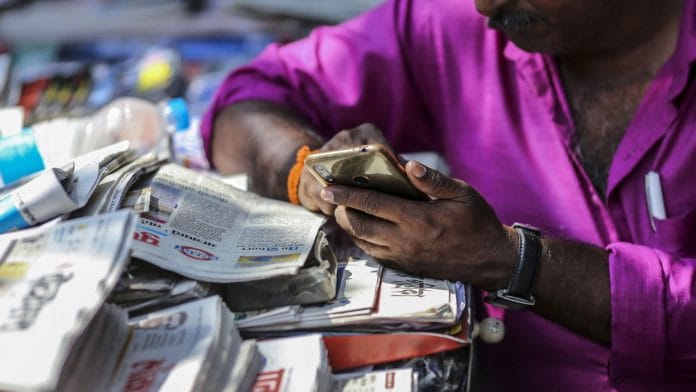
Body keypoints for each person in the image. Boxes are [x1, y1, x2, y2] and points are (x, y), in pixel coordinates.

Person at [202, 0, 696, 389]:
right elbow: (250, 97)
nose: (484, 7)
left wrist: (513, 262)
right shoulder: (452, 25)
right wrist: (303, 167)